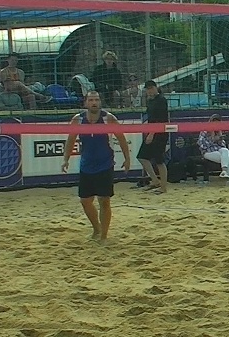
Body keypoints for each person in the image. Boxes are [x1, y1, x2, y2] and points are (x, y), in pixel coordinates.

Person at [61, 90, 131, 242]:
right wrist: (65, 159)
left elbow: (121, 138)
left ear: (100, 102)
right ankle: (96, 228)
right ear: (85, 103)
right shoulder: (78, 119)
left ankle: (104, 235)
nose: (94, 103)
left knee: (104, 201)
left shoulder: (108, 118)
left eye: (97, 100)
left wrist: (127, 159)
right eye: (91, 100)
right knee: (85, 201)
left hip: (105, 164)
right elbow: (71, 140)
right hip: (86, 165)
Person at [136, 80, 170, 194]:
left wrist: (151, 134)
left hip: (160, 133)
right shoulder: (150, 101)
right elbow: (151, 118)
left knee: (159, 160)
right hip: (152, 131)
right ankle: (155, 181)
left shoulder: (161, 100)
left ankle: (163, 187)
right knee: (142, 157)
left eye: (151, 88)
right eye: (147, 89)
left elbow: (160, 120)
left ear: (156, 88)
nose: (149, 91)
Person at [198, 114, 229, 186]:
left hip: (218, 150)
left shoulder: (218, 131)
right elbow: (202, 145)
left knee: (225, 151)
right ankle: (228, 180)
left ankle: (224, 172)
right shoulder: (204, 131)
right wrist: (213, 139)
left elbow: (222, 145)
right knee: (227, 158)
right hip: (208, 152)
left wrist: (220, 138)